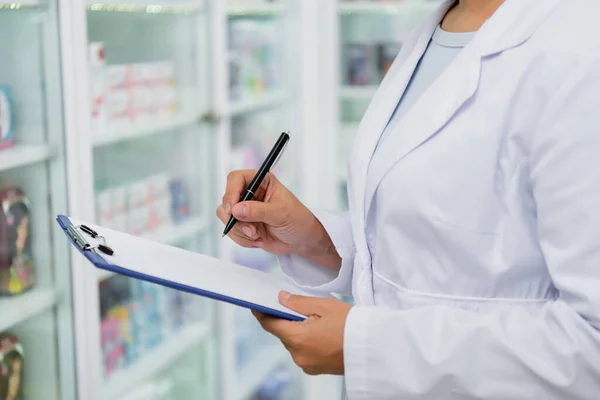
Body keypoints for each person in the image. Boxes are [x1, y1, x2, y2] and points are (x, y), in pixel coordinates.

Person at [217, 0, 600, 398]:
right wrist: (313, 238)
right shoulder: (441, 27)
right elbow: (442, 245)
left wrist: (367, 346)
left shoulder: (581, 46)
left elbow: (592, 346)